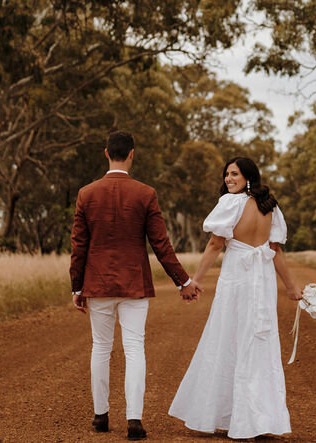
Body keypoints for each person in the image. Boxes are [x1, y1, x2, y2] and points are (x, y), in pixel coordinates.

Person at [70, 131, 204, 441]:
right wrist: (183, 281)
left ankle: (100, 417)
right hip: (133, 284)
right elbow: (161, 244)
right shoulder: (146, 193)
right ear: (132, 153)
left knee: (100, 349)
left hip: (98, 283)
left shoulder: (86, 194)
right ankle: (134, 421)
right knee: (134, 349)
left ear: (107, 153)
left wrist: (77, 287)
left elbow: (79, 246)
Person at [169, 156, 303, 439]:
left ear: (248, 177)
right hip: (262, 278)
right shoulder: (270, 207)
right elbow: (276, 250)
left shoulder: (232, 203)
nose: (229, 179)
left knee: (227, 340)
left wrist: (196, 280)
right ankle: (259, 420)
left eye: (234, 174)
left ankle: (238, 420)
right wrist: (290, 287)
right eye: (227, 175)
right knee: (257, 344)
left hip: (238, 279)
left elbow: (216, 243)